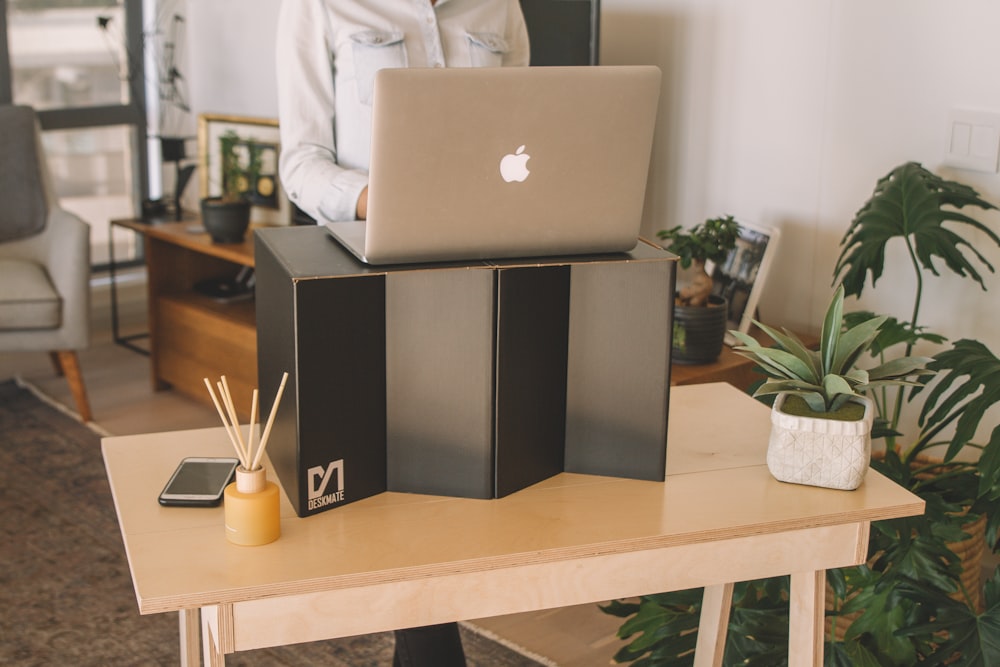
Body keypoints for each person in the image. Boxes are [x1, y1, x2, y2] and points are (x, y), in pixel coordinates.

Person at [274, 2, 530, 665]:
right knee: (396, 483)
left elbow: (527, 132)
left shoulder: (499, 5)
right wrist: (383, 198)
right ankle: (428, 639)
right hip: (371, 270)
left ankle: (427, 635)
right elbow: (300, 163)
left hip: (486, 265)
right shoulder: (318, 6)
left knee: (460, 482)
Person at [276, 0, 531, 225]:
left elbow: (519, 133)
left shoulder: (502, 4)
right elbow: (302, 163)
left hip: (488, 239)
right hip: (367, 255)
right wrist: (389, 207)